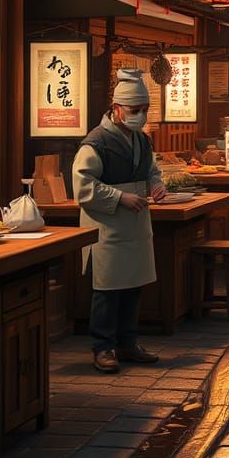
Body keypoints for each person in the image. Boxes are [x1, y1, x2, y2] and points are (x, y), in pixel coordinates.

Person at [73, 68, 166, 374]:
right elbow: (83, 186)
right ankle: (102, 347)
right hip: (108, 225)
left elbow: (151, 169)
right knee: (107, 289)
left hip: (136, 224)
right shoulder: (96, 142)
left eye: (144, 110)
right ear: (116, 109)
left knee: (133, 285)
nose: (140, 116)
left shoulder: (141, 140)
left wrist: (156, 184)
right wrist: (120, 198)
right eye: (134, 110)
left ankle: (128, 343)